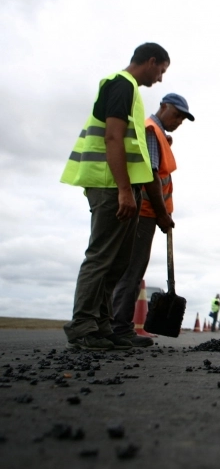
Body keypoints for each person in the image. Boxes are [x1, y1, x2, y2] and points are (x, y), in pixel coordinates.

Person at [61, 43, 171, 351]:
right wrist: (124, 190)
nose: (160, 78)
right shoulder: (120, 84)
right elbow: (111, 136)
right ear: (151, 62)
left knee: (119, 261)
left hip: (123, 187)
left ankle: (105, 326)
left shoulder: (132, 91)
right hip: (110, 184)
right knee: (101, 256)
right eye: (161, 70)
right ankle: (83, 325)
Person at [110, 93, 195, 347]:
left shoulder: (159, 136)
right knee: (132, 271)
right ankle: (120, 329)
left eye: (182, 118)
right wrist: (161, 214)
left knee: (130, 269)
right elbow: (152, 177)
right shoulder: (151, 131)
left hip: (147, 212)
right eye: (177, 114)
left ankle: (115, 326)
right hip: (144, 212)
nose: (179, 120)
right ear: (163, 106)